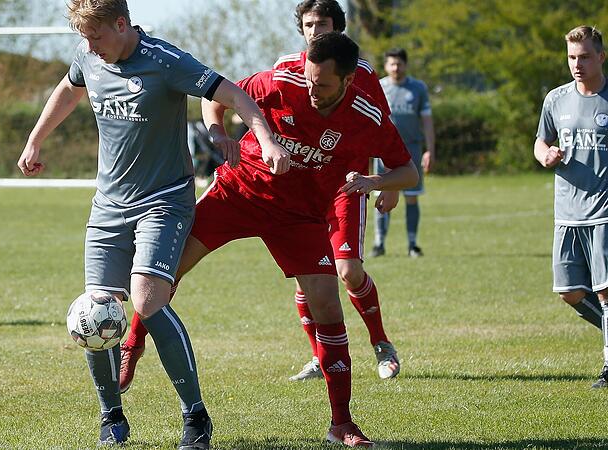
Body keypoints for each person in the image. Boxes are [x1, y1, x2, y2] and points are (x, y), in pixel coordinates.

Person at [122, 31, 419, 446]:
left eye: (323, 84)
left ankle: (341, 424)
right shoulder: (283, 80)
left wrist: (375, 181)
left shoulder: (366, 117)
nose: (312, 89)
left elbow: (409, 172)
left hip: (299, 217)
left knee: (328, 303)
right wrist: (217, 132)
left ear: (349, 81)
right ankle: (131, 345)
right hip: (239, 192)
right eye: (310, 79)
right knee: (164, 274)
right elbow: (217, 95)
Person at [17, 0, 289, 447]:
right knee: (94, 310)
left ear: (122, 24)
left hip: (163, 202)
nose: (89, 47)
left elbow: (234, 93)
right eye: (84, 39)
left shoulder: (167, 61)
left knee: (145, 299)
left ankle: (195, 414)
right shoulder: (90, 56)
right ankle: (112, 417)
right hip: (108, 204)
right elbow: (69, 88)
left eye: (97, 37)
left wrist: (262, 138)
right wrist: (35, 141)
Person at [271, 0, 403, 382]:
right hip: (299, 191)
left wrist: (388, 184)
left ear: (339, 28)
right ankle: (319, 356)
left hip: (345, 186)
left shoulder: (359, 71)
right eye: (309, 24)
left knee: (347, 271)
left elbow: (381, 130)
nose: (316, 31)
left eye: (323, 24)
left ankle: (381, 343)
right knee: (306, 277)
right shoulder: (285, 68)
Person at [534, 25, 608, 389]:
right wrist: (546, 154)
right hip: (566, 211)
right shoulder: (556, 99)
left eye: (584, 57)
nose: (577, 64)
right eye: (571, 58)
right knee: (570, 292)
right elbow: (539, 141)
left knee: (607, 290)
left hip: (604, 212)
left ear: (601, 57)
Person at [372, 47, 436, 258]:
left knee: (411, 197)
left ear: (405, 65)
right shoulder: (378, 87)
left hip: (412, 150)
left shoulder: (417, 88)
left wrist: (430, 150)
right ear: (385, 66)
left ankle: (412, 244)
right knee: (382, 194)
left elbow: (426, 121)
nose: (396, 67)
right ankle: (379, 243)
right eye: (392, 63)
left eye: (399, 63)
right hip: (385, 152)